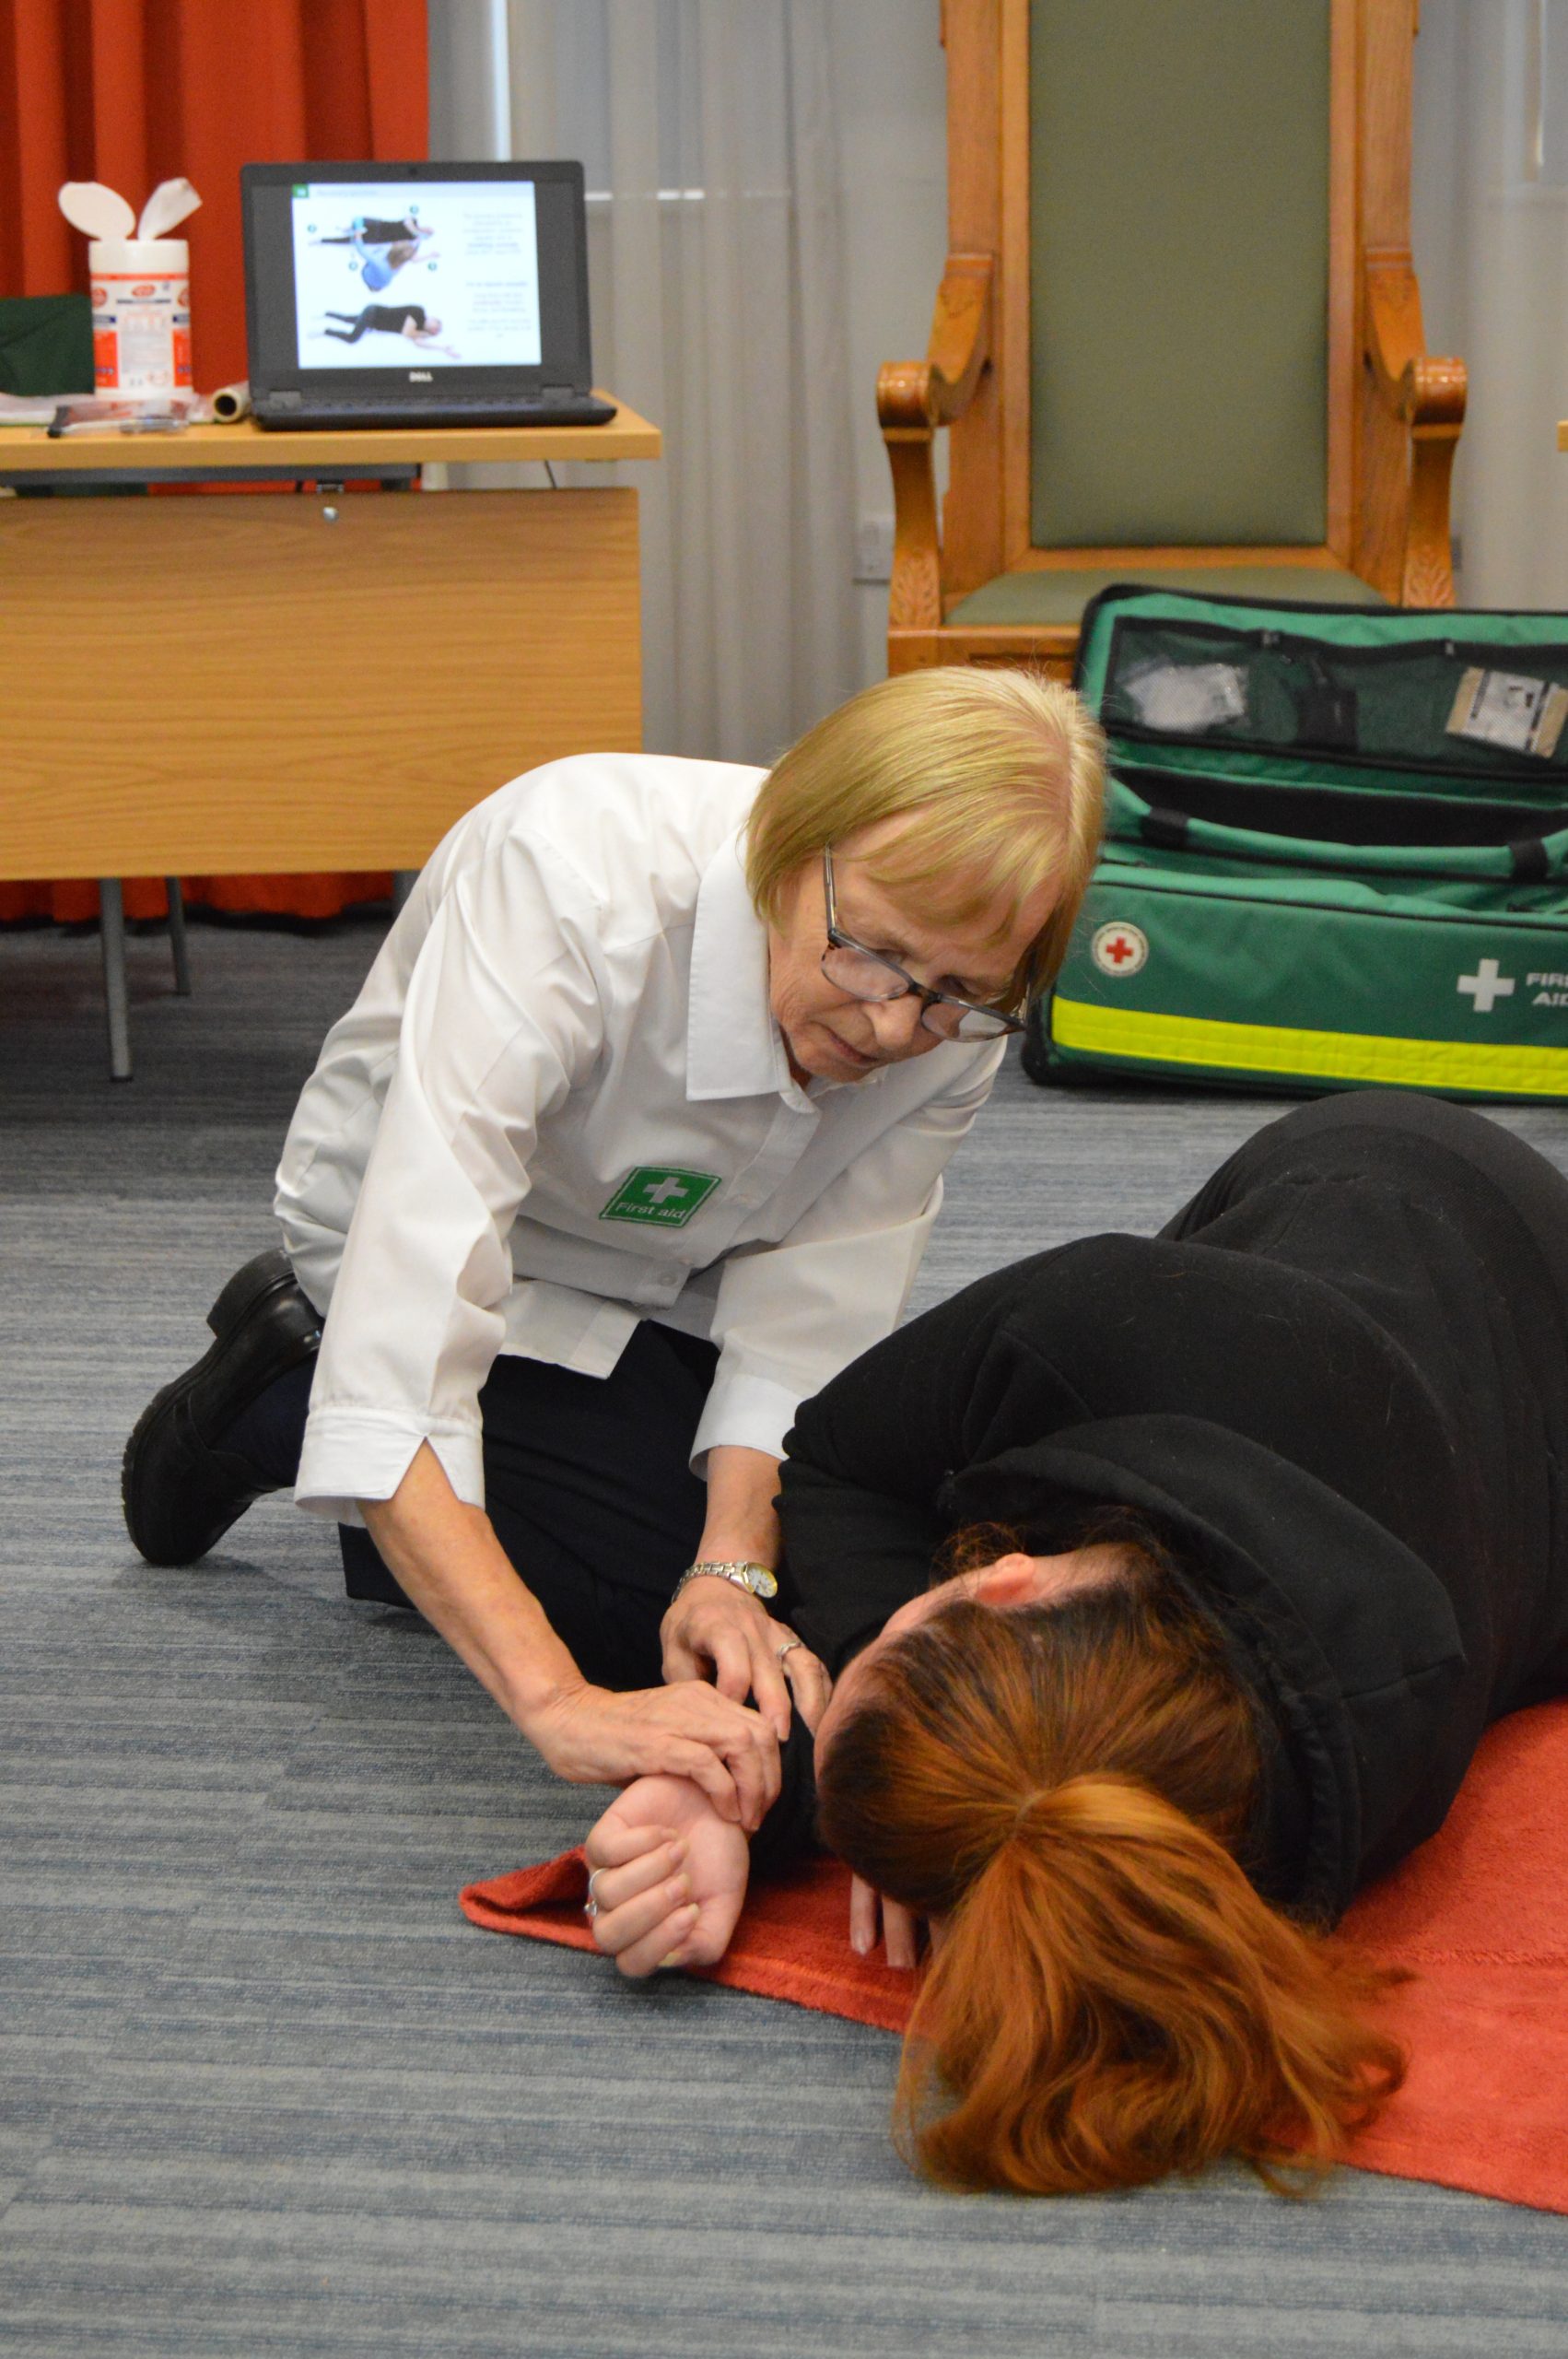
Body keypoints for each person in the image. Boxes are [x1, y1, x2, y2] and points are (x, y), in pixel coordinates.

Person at [122, 667, 1106, 1839]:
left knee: (817, 1597)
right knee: (658, 1632)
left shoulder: (954, 1003)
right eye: (871, 955)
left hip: (688, 1276)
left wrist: (730, 1568)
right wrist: (561, 1704)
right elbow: (409, 1353)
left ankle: (467, 1480)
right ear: (789, 843)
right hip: (467, 1263)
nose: (897, 1025)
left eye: (955, 994)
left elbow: (813, 1311)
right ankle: (280, 1381)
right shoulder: (564, 883)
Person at [579, 1091, 1568, 2195]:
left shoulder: (1098, 1328)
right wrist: (806, 1789)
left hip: (1397, 1221)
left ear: (999, 1569)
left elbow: (836, 1459)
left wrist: (771, 1800)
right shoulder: (1356, 1734)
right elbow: (841, 1463)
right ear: (1003, 1582)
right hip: (1439, 1302)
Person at [320, 305, 457, 358]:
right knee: (352, 338)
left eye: (436, 331)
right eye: (437, 325)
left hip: (373, 323)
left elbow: (419, 343)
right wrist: (426, 334)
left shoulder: (418, 331)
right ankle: (326, 330)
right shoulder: (419, 312)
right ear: (433, 319)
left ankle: (327, 315)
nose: (435, 329)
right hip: (374, 313)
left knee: (348, 320)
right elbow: (407, 333)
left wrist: (442, 348)